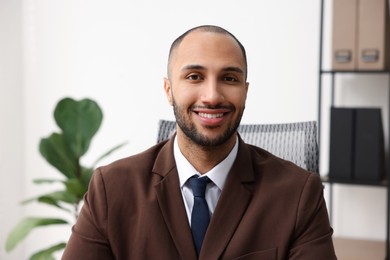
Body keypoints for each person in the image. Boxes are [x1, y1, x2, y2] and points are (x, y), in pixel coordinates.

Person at [62, 25, 336, 260]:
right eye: (194, 77)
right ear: (169, 90)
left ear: (245, 91)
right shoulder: (111, 189)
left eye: (229, 78)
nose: (212, 95)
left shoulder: (299, 193)